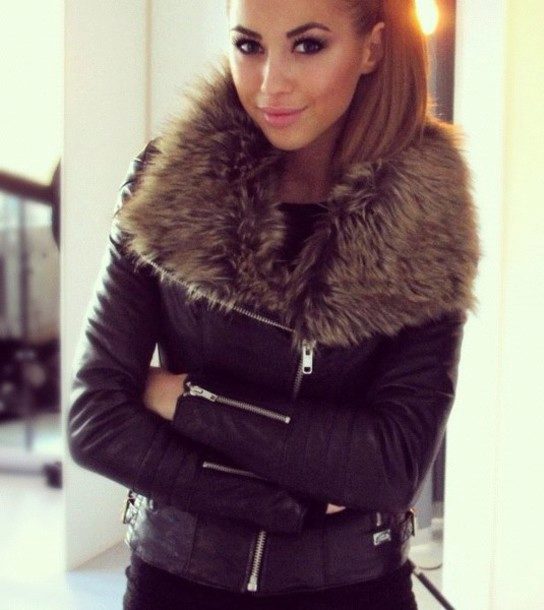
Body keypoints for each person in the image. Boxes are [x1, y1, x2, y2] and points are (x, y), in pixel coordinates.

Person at [68, 0, 480, 608]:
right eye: (249, 45)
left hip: (352, 589)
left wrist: (181, 398)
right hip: (177, 583)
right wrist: (295, 502)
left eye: (308, 45)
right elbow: (95, 423)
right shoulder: (170, 181)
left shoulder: (424, 211)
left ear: (371, 47)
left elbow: (392, 464)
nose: (269, 84)